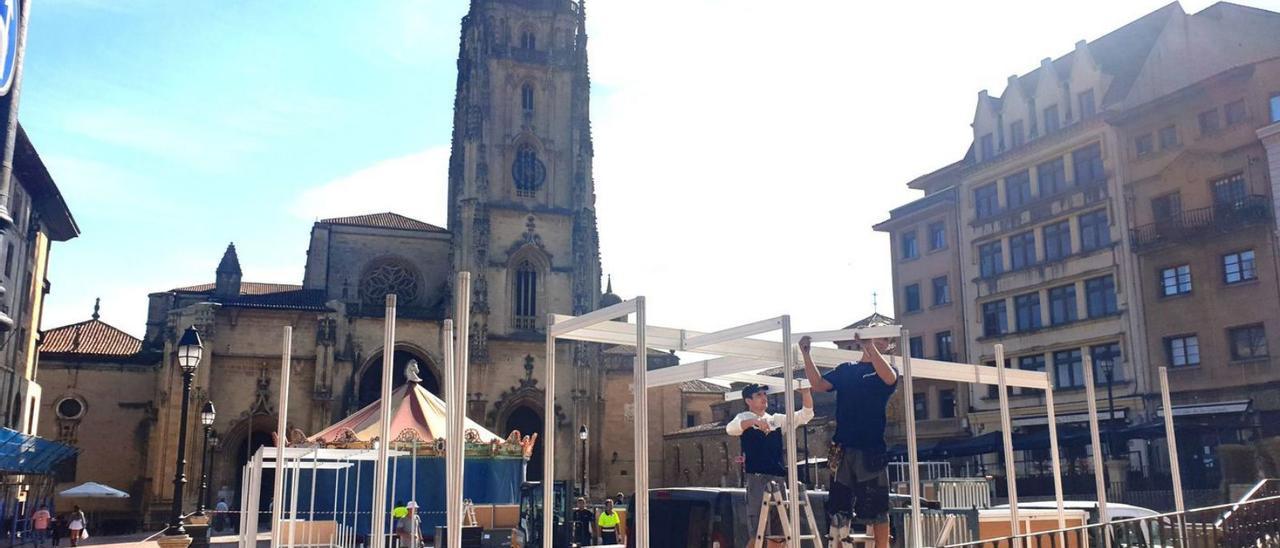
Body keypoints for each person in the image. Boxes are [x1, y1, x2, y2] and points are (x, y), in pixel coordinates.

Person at [801, 334, 898, 548]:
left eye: (883, 341)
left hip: (870, 449)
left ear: (888, 347)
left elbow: (889, 378)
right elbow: (818, 384)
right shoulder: (846, 369)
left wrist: (870, 347)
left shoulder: (886, 371)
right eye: (875, 339)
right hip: (842, 448)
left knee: (878, 506)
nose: (878, 342)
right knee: (839, 504)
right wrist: (806, 354)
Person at [726, 384, 814, 547]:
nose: (764, 397)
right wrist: (754, 421)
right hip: (758, 479)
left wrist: (806, 393)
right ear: (748, 400)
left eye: (764, 394)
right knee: (758, 531)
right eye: (759, 395)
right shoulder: (743, 417)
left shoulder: (775, 419)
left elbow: (805, 415)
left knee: (778, 532)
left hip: (778, 479)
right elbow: (731, 429)